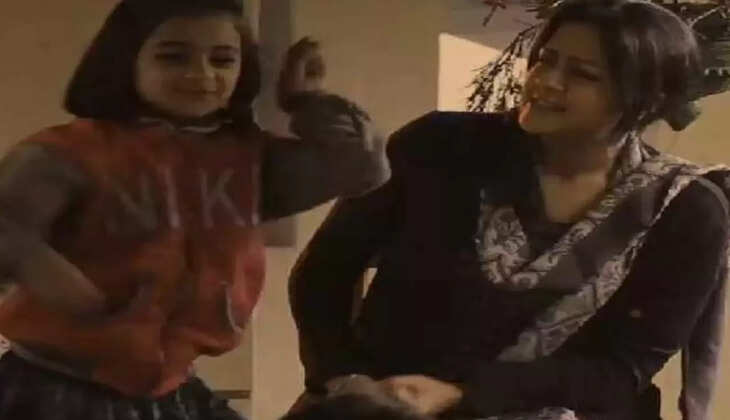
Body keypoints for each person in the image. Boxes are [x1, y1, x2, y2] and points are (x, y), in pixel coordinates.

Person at [288, 0, 729, 419]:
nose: (545, 81)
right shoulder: (439, 145)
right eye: (546, 59)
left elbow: (620, 369)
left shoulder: (684, 210)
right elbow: (325, 271)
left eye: (582, 74)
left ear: (646, 100)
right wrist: (344, 378)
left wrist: (463, 394)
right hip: (381, 407)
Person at [0, 0, 388, 418]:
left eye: (222, 60)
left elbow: (361, 169)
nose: (201, 76)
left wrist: (309, 103)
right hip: (57, 387)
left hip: (173, 390)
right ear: (126, 58)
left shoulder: (247, 158)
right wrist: (59, 282)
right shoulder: (67, 153)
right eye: (173, 57)